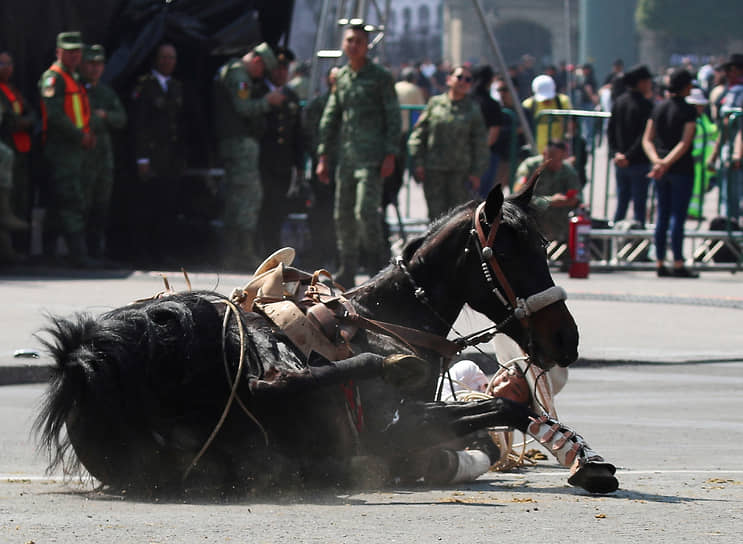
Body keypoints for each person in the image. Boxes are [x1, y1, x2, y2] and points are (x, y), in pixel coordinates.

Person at [316, 24, 401, 286]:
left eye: (359, 41)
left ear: (366, 46)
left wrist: (390, 155)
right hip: (347, 158)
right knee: (342, 214)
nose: (353, 45)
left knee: (365, 212)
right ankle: (348, 268)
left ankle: (377, 265)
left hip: (372, 158)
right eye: (350, 40)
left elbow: (393, 117)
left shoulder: (379, 77)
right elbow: (331, 116)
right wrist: (323, 156)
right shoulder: (341, 77)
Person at [213, 42, 281, 270]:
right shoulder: (239, 76)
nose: (260, 75)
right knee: (248, 197)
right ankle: (242, 252)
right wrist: (267, 102)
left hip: (235, 143)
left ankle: (234, 253)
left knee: (237, 198)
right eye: (261, 70)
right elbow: (243, 108)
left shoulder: (231, 71)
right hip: (240, 143)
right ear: (257, 62)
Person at [39, 31, 97, 267]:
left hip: (75, 149)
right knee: (70, 199)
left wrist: (86, 133)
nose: (74, 55)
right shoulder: (53, 78)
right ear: (58, 52)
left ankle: (50, 253)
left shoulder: (74, 77)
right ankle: (78, 255)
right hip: (61, 149)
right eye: (69, 51)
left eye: (77, 51)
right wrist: (79, 135)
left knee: (62, 199)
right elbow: (55, 116)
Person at [407, 65, 488, 221]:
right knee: (435, 217)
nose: (463, 82)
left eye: (468, 79)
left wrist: (476, 172)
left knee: (457, 217)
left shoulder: (472, 109)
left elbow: (480, 143)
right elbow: (419, 134)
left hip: (460, 173)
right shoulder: (435, 104)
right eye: (459, 77)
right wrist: (418, 162)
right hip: (434, 171)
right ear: (449, 79)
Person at [130, 43, 185, 265]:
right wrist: (142, 158)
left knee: (167, 207)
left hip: (170, 158)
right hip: (151, 156)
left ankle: (163, 253)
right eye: (164, 57)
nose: (168, 62)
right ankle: (143, 253)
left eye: (172, 58)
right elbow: (139, 125)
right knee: (146, 207)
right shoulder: (145, 86)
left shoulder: (176, 87)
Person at [642, 68, 698, 278]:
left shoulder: (658, 107)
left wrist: (657, 161)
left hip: (660, 169)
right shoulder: (688, 110)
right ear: (685, 86)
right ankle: (677, 261)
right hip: (681, 168)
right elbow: (685, 141)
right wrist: (666, 162)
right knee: (677, 216)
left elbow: (647, 139)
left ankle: (659, 260)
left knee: (662, 215)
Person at [79, 45, 126, 261]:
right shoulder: (77, 89)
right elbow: (82, 118)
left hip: (103, 156)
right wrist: (98, 118)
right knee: (81, 203)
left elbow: (121, 119)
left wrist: (104, 115)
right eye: (91, 63)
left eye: (99, 64)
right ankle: (78, 251)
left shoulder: (106, 92)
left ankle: (96, 250)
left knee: (101, 204)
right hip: (82, 156)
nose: (95, 68)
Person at [257, 46, 304, 256]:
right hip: (261, 161)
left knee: (278, 209)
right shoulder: (258, 92)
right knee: (261, 208)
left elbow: (298, 135)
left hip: (283, 164)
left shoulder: (291, 96)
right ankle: (258, 249)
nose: (281, 73)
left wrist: (300, 166)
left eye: (285, 69)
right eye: (278, 68)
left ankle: (272, 251)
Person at [607, 65, 654, 227]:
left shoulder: (619, 102)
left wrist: (616, 154)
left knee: (622, 202)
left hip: (621, 161)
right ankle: (639, 244)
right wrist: (629, 156)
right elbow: (645, 136)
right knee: (639, 206)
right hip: (638, 161)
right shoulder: (646, 105)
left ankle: (616, 239)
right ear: (640, 83)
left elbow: (610, 131)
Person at [303, 67, 340, 270]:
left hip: (344, 168)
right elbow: (309, 135)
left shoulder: (349, 106)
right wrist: (320, 158)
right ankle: (318, 254)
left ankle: (337, 256)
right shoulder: (318, 105)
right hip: (323, 167)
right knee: (319, 214)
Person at [0, 50, 36, 256]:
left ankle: (15, 250)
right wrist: (20, 121)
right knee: (6, 203)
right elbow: (10, 121)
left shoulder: (12, 90)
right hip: (6, 147)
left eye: (9, 64)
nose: (6, 68)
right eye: (1, 64)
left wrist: (25, 121)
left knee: (19, 200)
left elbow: (30, 114)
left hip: (20, 150)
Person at [513, 140, 581, 245]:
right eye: (553, 157)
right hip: (533, 221)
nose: (557, 162)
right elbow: (519, 196)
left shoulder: (568, 171)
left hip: (559, 222)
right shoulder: (529, 167)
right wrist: (549, 201)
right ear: (544, 154)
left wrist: (571, 200)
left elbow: (577, 196)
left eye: (560, 159)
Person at [707, 53, 743, 222]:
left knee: (730, 201)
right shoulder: (731, 91)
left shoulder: (737, 92)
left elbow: (729, 125)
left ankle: (730, 242)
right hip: (732, 151)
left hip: (734, 153)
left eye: (728, 70)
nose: (725, 74)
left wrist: (716, 155)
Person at [686, 88, 719, 219]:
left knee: (699, 190)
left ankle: (696, 212)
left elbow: (712, 130)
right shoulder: (689, 119)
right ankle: (690, 213)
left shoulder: (703, 118)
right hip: (692, 162)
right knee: (692, 190)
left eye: (701, 105)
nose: (700, 108)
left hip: (702, 164)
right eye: (697, 105)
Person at [471, 65, 503, 198]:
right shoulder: (492, 104)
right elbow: (493, 135)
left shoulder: (467, 102)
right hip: (486, 156)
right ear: (490, 81)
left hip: (466, 154)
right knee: (481, 198)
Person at [522, 74, 573, 154]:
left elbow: (571, 124)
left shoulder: (562, 102)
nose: (546, 101)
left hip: (559, 152)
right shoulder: (528, 105)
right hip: (536, 151)